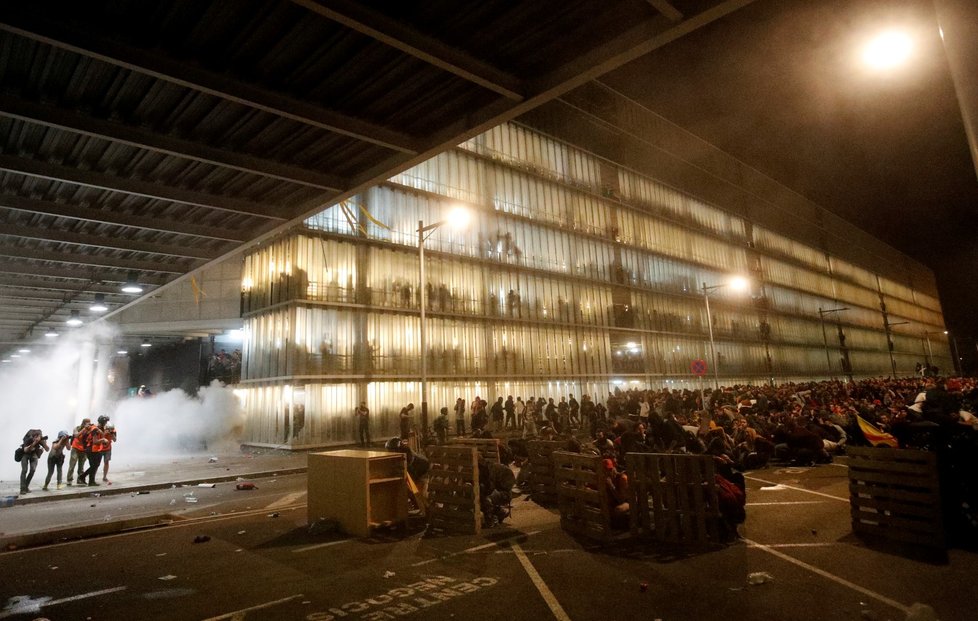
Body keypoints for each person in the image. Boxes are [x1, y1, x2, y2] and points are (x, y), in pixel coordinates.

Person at [478, 457, 516, 527]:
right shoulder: (487, 467)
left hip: (505, 493)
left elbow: (490, 487)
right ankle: (500, 513)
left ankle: (491, 520)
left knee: (485, 499)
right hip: (500, 490)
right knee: (480, 496)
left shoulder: (489, 469)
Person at [19, 429, 49, 494]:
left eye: (39, 436)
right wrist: (34, 443)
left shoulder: (40, 439)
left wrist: (44, 443)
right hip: (25, 454)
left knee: (33, 470)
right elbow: (25, 450)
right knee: (24, 470)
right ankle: (22, 489)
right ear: (34, 436)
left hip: (33, 454)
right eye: (37, 436)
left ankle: (26, 486)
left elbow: (47, 449)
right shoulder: (28, 439)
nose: (38, 438)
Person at [66, 417, 90, 486]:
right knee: (72, 465)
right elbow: (76, 435)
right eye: (87, 422)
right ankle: (69, 479)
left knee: (81, 466)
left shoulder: (89, 429)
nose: (88, 424)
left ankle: (80, 479)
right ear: (83, 423)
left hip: (84, 450)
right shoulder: (77, 428)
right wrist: (84, 429)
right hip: (75, 448)